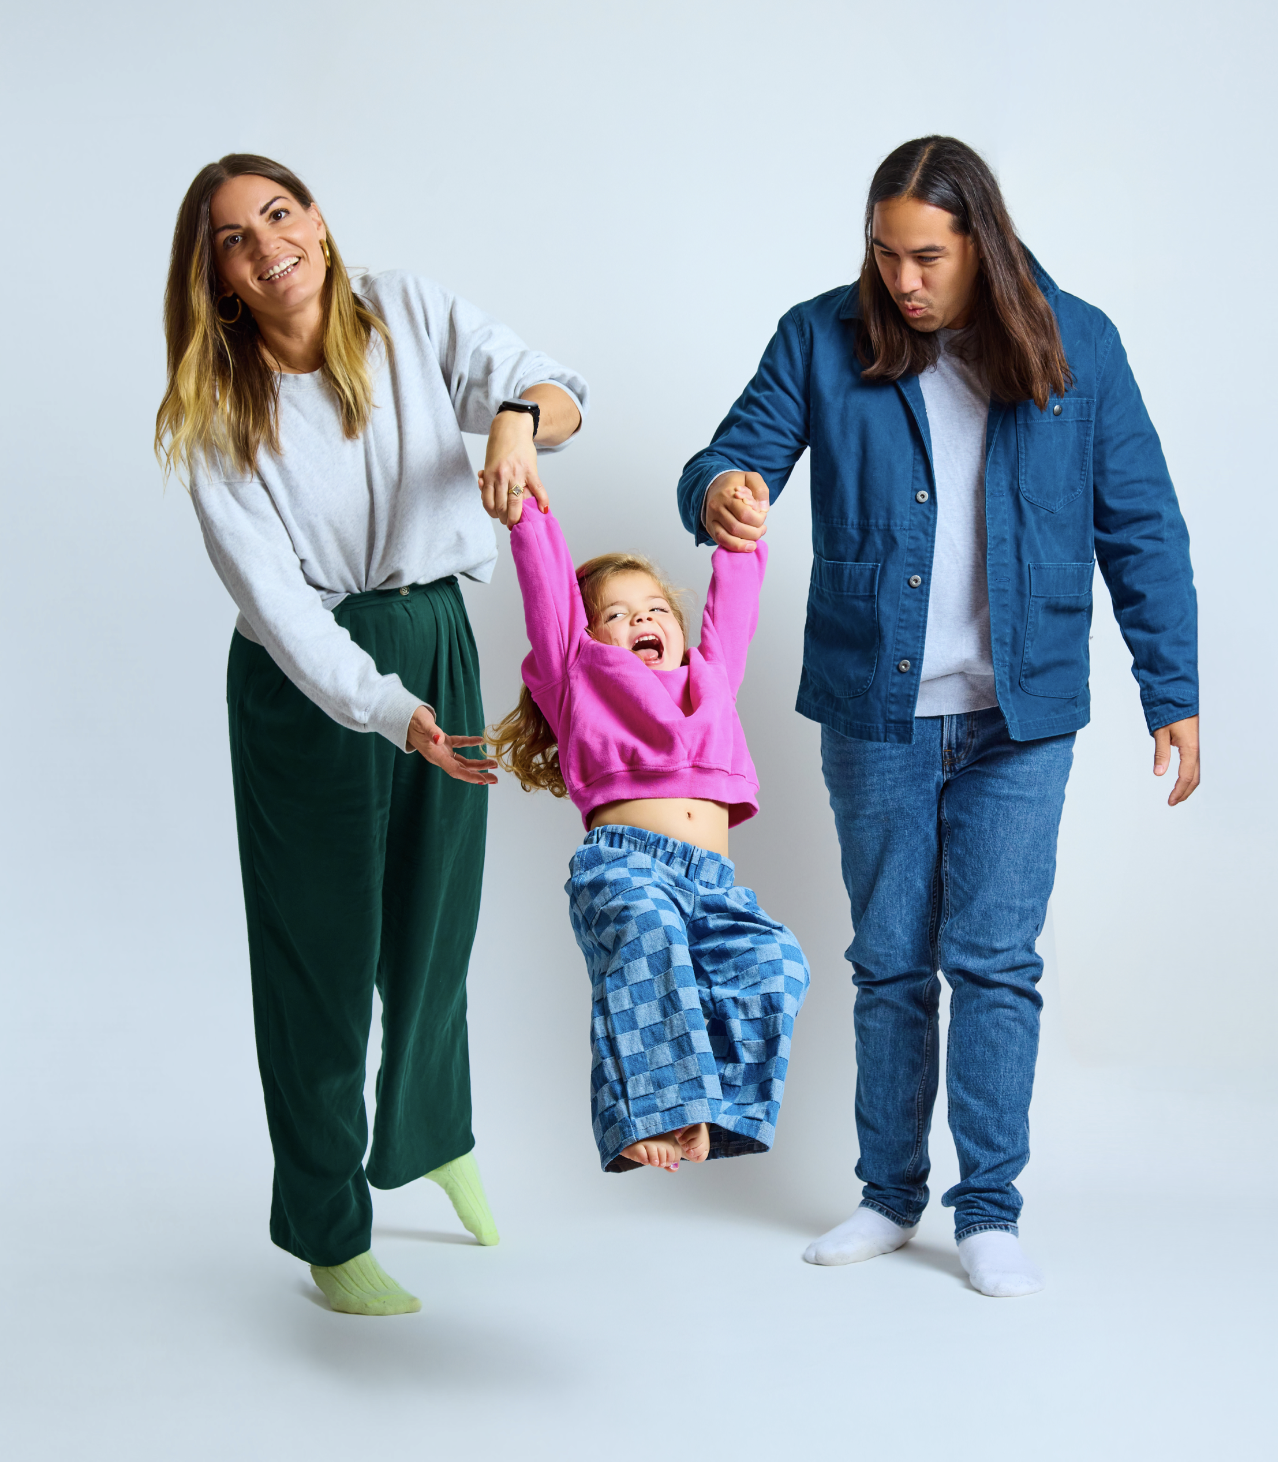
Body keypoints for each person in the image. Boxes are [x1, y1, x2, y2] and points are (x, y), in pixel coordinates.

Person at [677, 136, 1198, 1297]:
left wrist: (1175, 691)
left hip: (1024, 710)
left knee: (996, 962)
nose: (903, 280)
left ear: (984, 244)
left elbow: (1143, 526)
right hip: (876, 706)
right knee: (892, 962)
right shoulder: (820, 335)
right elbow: (726, 455)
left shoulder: (1079, 343)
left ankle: (989, 1208)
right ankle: (886, 1195)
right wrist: (719, 490)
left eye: (926, 256)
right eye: (883, 253)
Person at [155, 153, 587, 1315]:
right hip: (311, 689)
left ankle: (433, 1135)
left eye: (278, 214)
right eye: (233, 240)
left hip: (438, 628)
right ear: (219, 280)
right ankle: (327, 1223)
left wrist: (511, 423)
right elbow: (283, 611)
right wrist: (391, 712)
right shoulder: (213, 416)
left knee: (436, 923)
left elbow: (561, 389)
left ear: (321, 223)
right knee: (323, 960)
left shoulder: (405, 308)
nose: (265, 245)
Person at [488, 487, 809, 1173]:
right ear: (588, 634)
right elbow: (548, 590)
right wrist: (529, 513)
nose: (643, 618)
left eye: (656, 609)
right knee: (649, 939)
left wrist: (741, 533)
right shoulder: (579, 675)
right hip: (627, 866)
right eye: (618, 613)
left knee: (778, 964)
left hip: (714, 886)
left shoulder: (712, 675)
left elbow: (738, 598)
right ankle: (647, 1114)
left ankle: (710, 1111)